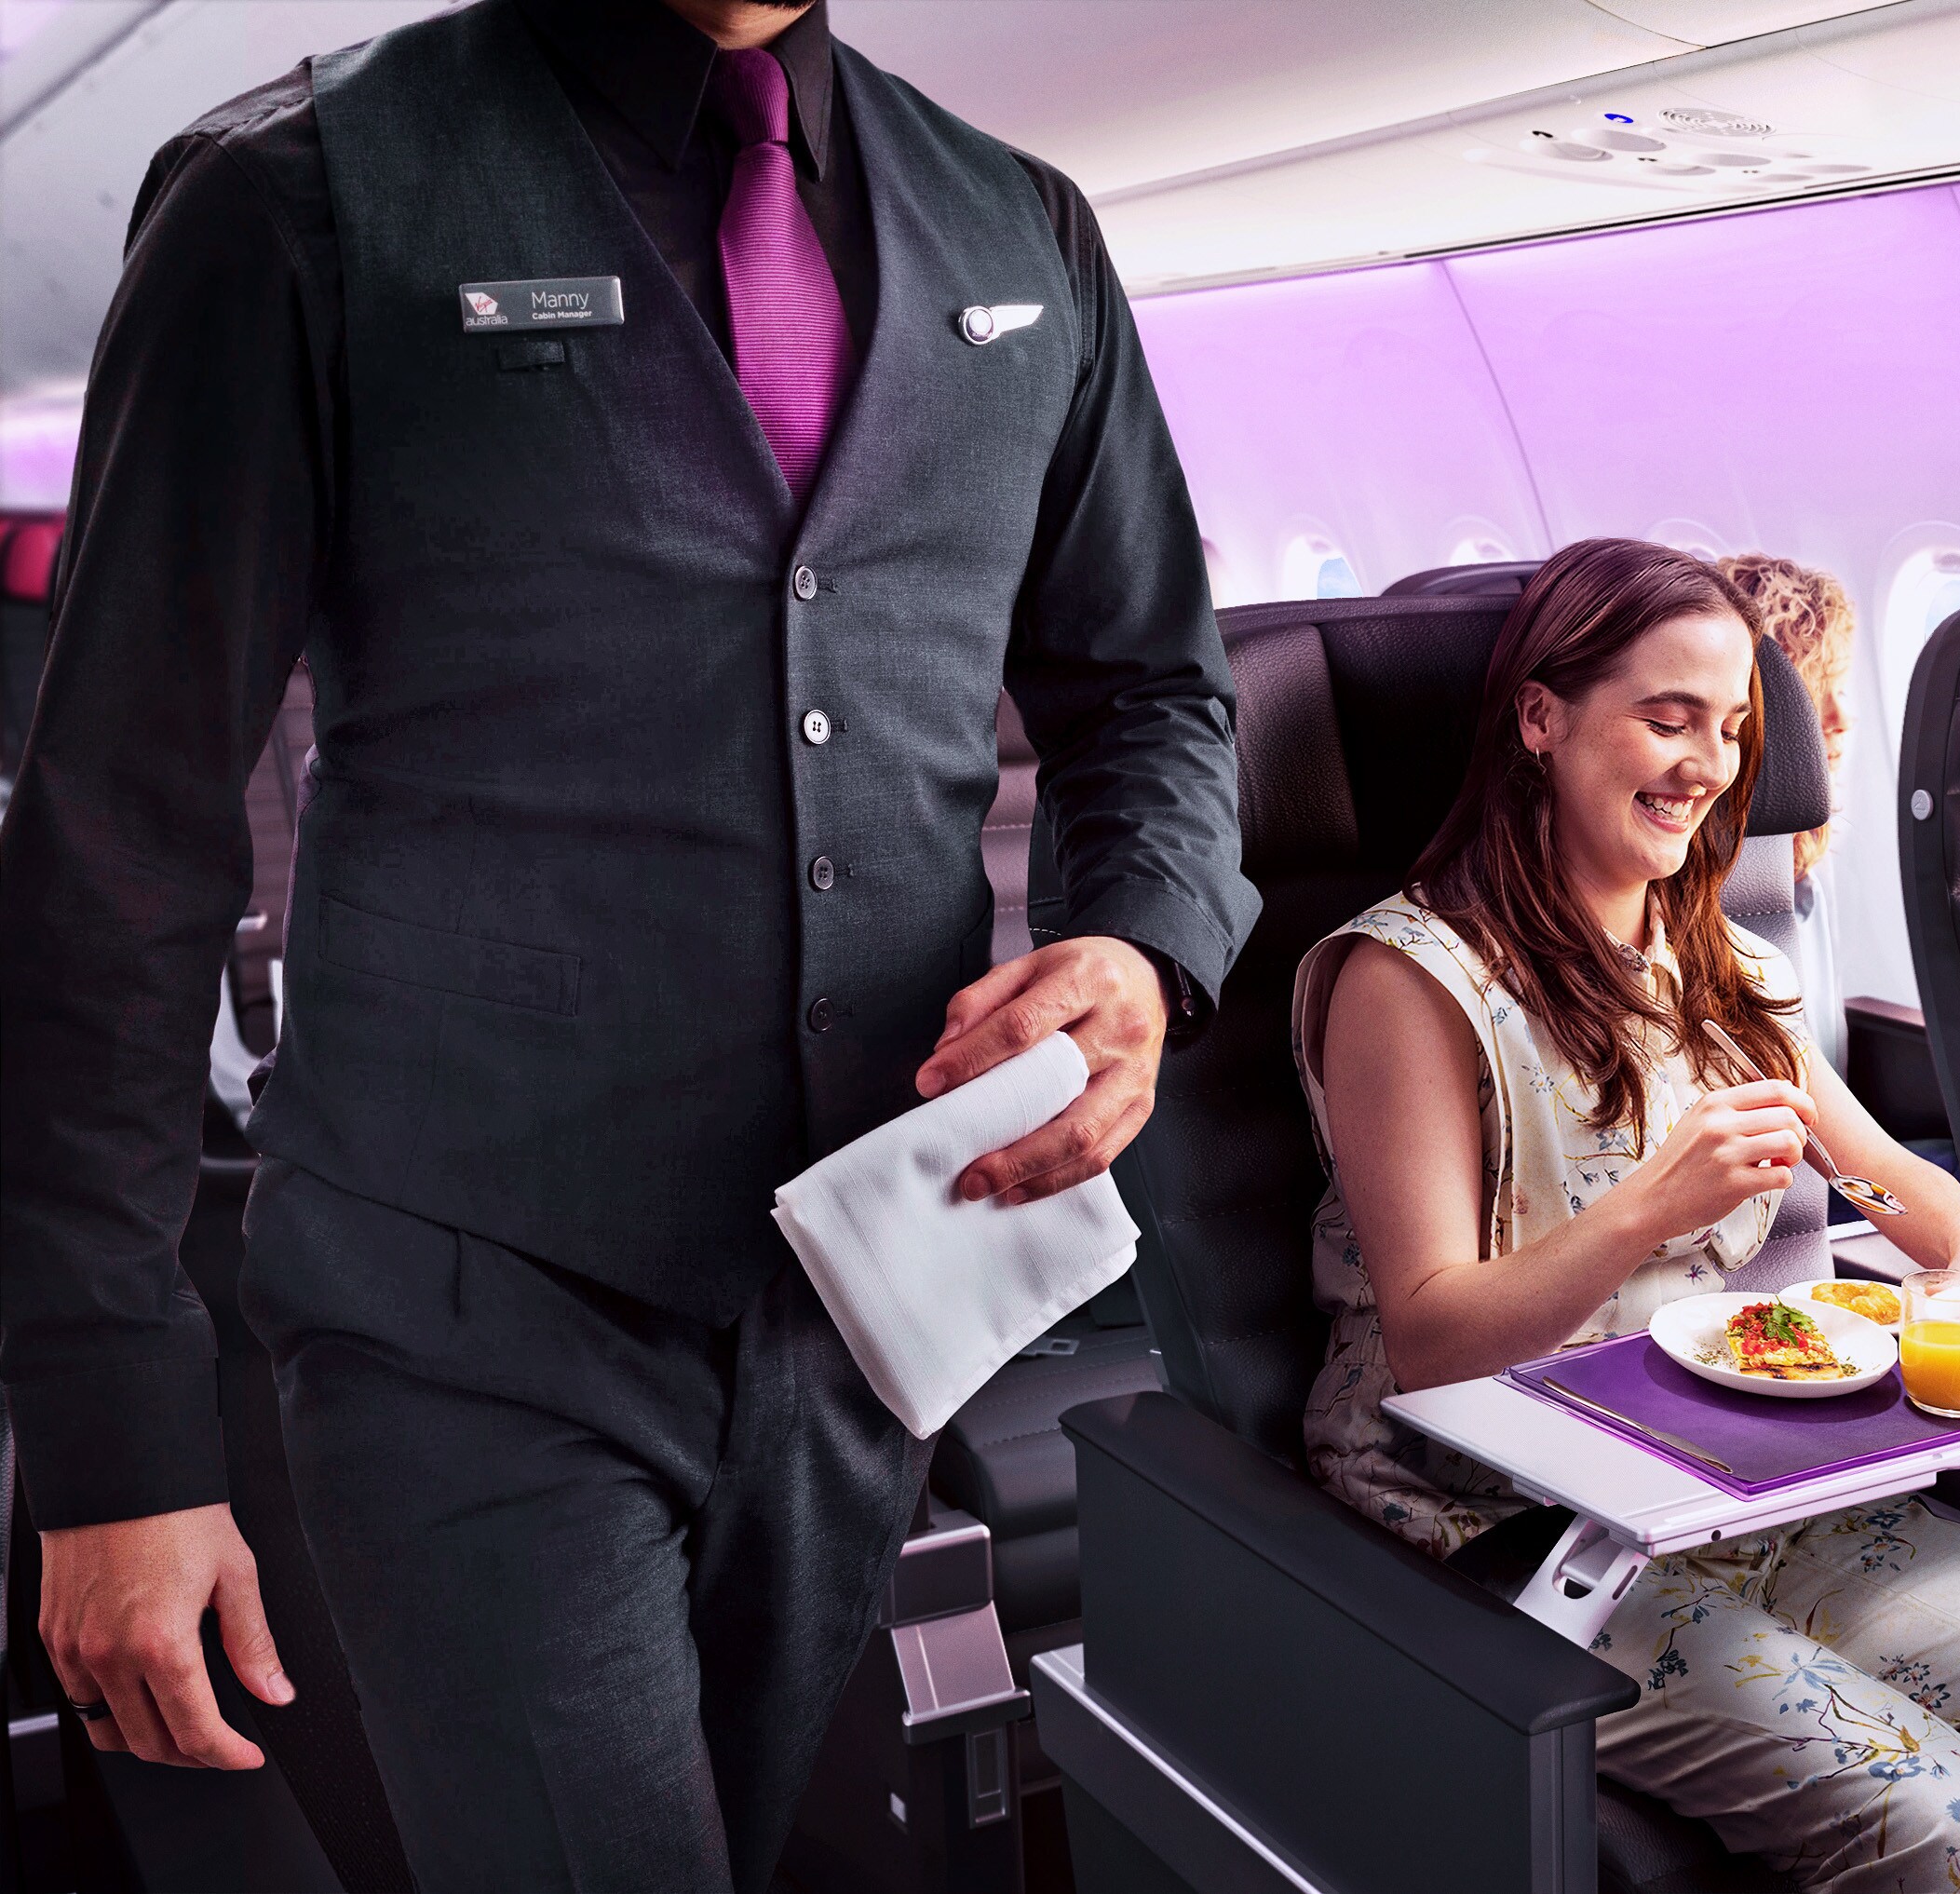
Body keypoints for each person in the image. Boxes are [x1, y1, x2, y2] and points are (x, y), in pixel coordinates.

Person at [0, 0, 1255, 1887]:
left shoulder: (1022, 228)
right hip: (467, 1319)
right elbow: (120, 843)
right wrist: (115, 1445)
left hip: (857, 1307)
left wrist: (1138, 952)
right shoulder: (293, 201)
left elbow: (1151, 689)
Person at [1296, 537, 1960, 1894]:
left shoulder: (1722, 970)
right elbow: (1429, 1345)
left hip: (1762, 1487)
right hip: (1510, 1530)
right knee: (1933, 1826)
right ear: (1539, 718)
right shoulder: (1406, 980)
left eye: (1728, 727)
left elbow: (1889, 1174)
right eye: (1665, 716)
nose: (1707, 764)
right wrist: (1651, 1205)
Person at [1717, 553, 1858, 1074]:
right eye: (1811, 691)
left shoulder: (1803, 878)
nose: (1841, 717)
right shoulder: (1697, 895)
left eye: (1841, 686)